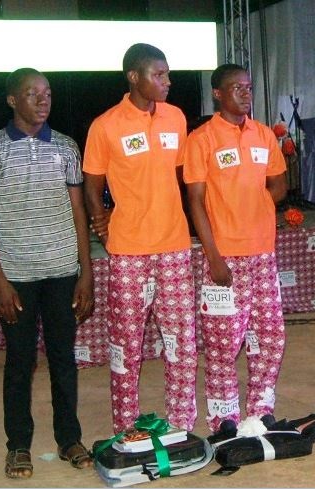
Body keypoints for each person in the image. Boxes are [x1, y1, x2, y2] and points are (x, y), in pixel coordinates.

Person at [0, 68, 94, 478]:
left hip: (62, 271)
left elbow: (79, 213)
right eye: (32, 94)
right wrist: (0, 282)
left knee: (63, 359)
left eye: (47, 94)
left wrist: (85, 272)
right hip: (18, 278)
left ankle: (69, 439)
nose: (43, 101)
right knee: (20, 364)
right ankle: (18, 445)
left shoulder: (65, 147)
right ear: (12, 100)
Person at [83, 43, 198, 433]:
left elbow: (184, 179)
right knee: (126, 344)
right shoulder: (106, 125)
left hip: (175, 247)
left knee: (182, 341)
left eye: (167, 74)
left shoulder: (176, 118)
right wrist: (100, 217)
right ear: (134, 77)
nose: (167, 81)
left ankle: (182, 423)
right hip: (129, 250)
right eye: (159, 75)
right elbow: (92, 180)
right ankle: (126, 427)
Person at [183, 64, 287, 433]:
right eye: (236, 88)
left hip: (263, 254)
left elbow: (279, 184)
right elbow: (195, 201)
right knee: (223, 343)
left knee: (270, 336)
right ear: (217, 94)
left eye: (248, 87)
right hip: (224, 257)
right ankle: (223, 417)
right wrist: (213, 257)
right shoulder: (202, 139)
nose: (245, 93)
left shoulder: (263, 135)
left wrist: (255, 205)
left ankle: (261, 408)